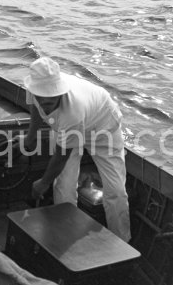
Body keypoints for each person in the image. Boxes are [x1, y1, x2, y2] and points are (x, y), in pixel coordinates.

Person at [22, 57, 131, 242]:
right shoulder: (34, 87)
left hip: (102, 126)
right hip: (67, 127)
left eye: (51, 98)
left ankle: (122, 240)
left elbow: (61, 156)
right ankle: (64, 235)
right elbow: (35, 107)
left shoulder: (73, 111)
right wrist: (30, 137)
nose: (45, 102)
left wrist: (43, 183)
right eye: (42, 97)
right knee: (63, 184)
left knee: (115, 190)